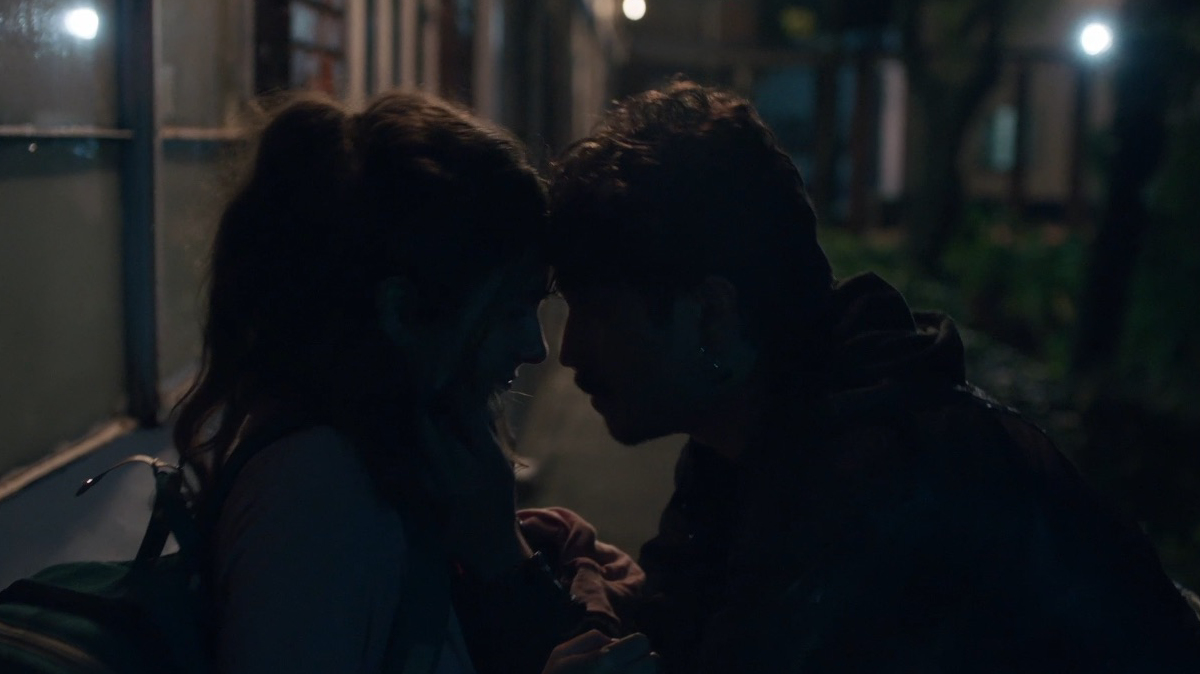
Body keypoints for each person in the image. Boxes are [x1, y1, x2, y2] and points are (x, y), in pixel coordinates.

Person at [546, 80, 1200, 672]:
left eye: (597, 312)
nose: (567, 350)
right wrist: (591, 592)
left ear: (712, 316)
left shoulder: (880, 481)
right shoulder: (756, 441)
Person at [172, 90, 656, 674]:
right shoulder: (317, 493)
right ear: (402, 312)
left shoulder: (382, 466)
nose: (536, 347)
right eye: (509, 309)